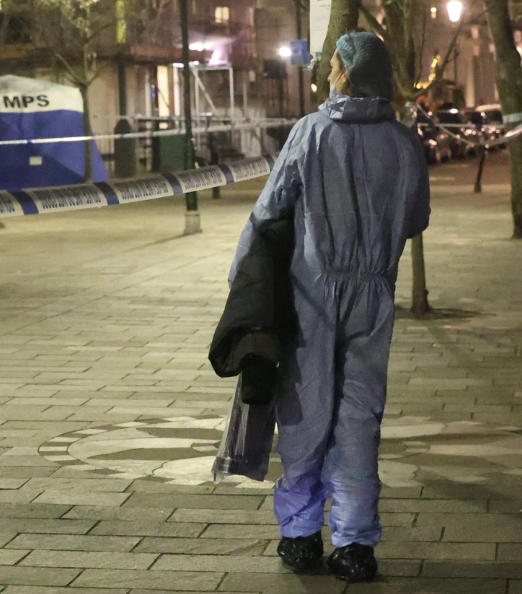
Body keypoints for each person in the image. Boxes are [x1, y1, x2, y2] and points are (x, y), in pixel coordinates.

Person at [227, 32, 430, 582]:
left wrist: (240, 285)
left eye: (331, 65)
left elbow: (270, 212)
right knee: (361, 417)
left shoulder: (310, 134)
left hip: (310, 290)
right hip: (375, 293)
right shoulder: (404, 143)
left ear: (342, 73)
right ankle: (356, 543)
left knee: (305, 412)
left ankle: (299, 536)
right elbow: (416, 220)